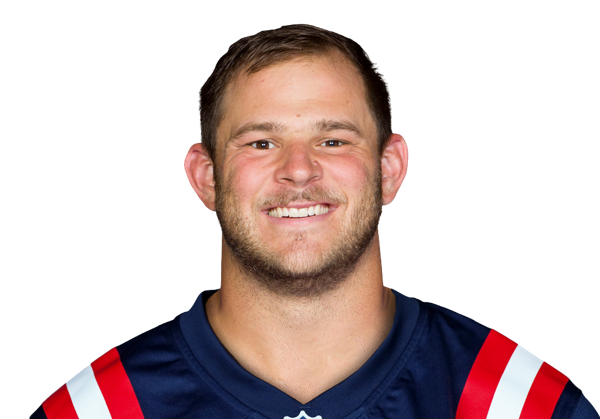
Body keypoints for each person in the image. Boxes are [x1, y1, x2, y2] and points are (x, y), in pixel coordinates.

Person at [31, 24, 597, 419]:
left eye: (332, 140)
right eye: (261, 142)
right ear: (206, 177)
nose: (298, 170)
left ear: (389, 169)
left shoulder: (519, 405)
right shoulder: (97, 412)